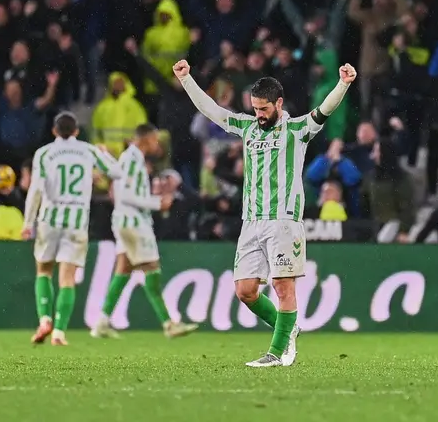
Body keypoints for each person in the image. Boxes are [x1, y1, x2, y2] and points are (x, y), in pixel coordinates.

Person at [173, 58, 356, 367]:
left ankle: (277, 352)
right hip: (251, 221)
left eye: (264, 108)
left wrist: (343, 84)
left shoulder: (297, 129)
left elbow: (324, 110)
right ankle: (288, 328)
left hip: (283, 220)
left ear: (278, 103)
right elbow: (212, 111)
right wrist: (186, 79)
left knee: (283, 286)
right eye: (255, 108)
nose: (258, 114)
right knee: (245, 291)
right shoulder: (247, 127)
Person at [22, 112, 121, 346]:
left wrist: (27, 222)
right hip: (76, 221)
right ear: (76, 131)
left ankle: (44, 319)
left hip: (49, 219)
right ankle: (59, 332)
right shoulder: (88, 151)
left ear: (54, 131)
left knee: (44, 271)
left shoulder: (44, 153)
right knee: (67, 278)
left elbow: (36, 189)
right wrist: (105, 153)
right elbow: (117, 172)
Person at [91, 123, 198, 339]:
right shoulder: (132, 159)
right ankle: (169, 324)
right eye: (155, 139)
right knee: (152, 269)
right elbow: (126, 195)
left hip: (125, 221)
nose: (157, 144)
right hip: (133, 223)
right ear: (146, 139)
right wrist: (157, 203)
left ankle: (101, 323)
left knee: (123, 270)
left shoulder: (133, 158)